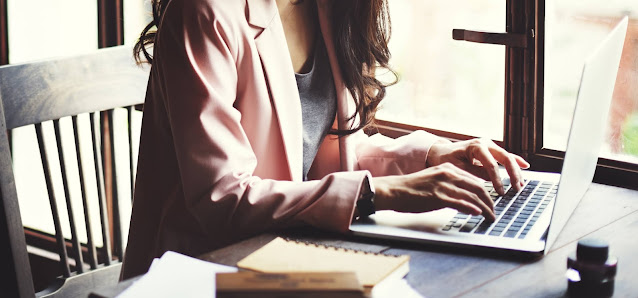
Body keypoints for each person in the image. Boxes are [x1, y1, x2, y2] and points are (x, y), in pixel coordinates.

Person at [121, 0, 530, 279]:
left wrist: (430, 156)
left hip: (288, 255)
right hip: (205, 268)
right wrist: (378, 194)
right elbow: (222, 197)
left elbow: (319, 151)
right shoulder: (204, 11)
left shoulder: (327, 8)